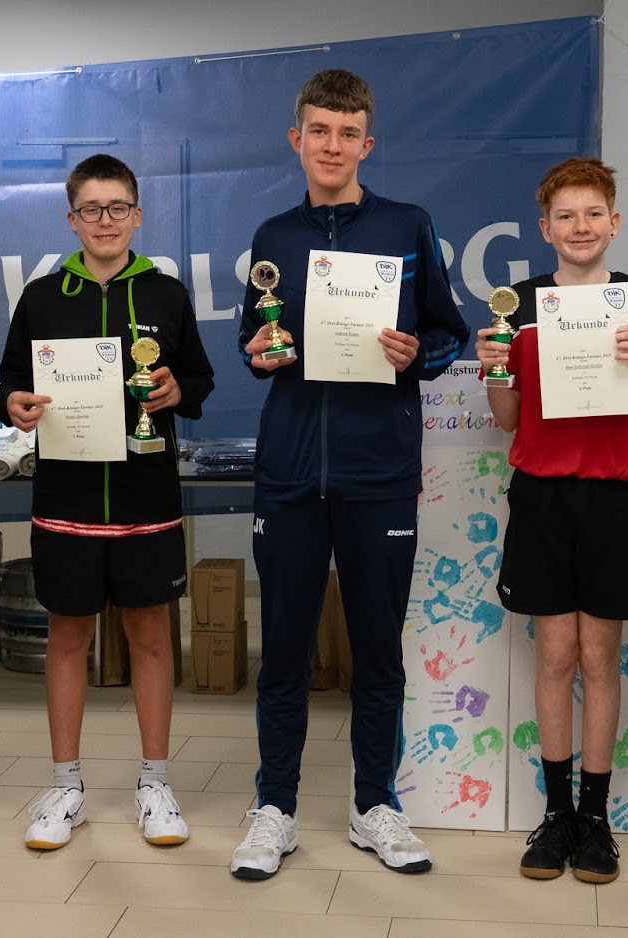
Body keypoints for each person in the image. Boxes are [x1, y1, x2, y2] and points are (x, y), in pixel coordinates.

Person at [231, 69, 469, 881]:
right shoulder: (273, 236)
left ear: (368, 143)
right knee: (283, 653)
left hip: (378, 475)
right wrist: (258, 354)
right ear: (296, 139)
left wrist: (415, 352)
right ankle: (275, 809)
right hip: (291, 474)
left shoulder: (408, 224)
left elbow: (448, 334)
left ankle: (375, 805)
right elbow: (255, 339)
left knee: (377, 653)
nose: (332, 146)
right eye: (319, 131)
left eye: (348, 133)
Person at [0, 154, 214, 850]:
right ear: (72, 219)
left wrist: (177, 390)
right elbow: (8, 381)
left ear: (137, 215)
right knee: (68, 638)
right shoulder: (42, 297)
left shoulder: (166, 293)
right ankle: (66, 786)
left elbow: (199, 379)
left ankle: (155, 783)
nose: (106, 220)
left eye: (118, 207)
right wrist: (15, 403)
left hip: (148, 498)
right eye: (91, 209)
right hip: (66, 499)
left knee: (151, 636)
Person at [474, 157, 628, 884]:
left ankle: (596, 818)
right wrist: (495, 367)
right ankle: (556, 814)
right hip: (542, 497)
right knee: (556, 655)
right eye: (566, 216)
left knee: (600, 658)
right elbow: (506, 418)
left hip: (614, 496)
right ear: (545, 228)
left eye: (593, 214)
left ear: (614, 223)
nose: (580, 226)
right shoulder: (518, 304)